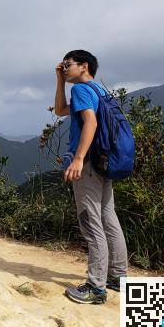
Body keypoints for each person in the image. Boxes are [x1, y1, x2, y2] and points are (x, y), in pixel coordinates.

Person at [54, 50, 128, 304]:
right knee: (109, 218)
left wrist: (77, 158)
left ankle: (96, 287)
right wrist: (60, 80)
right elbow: (61, 110)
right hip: (104, 161)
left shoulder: (81, 90)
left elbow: (90, 123)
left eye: (67, 65)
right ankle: (118, 277)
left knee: (90, 221)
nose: (64, 68)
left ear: (83, 66)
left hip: (87, 164)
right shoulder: (99, 91)